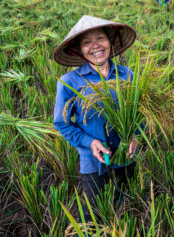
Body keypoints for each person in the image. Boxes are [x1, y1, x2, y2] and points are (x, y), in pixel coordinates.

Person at [53, 15, 139, 222]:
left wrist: (136, 136)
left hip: (126, 157)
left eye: (100, 38)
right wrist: (89, 142)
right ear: (79, 50)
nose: (95, 46)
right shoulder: (70, 82)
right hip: (92, 161)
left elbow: (139, 114)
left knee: (125, 207)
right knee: (94, 215)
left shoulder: (127, 75)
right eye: (86, 42)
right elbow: (62, 123)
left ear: (110, 41)